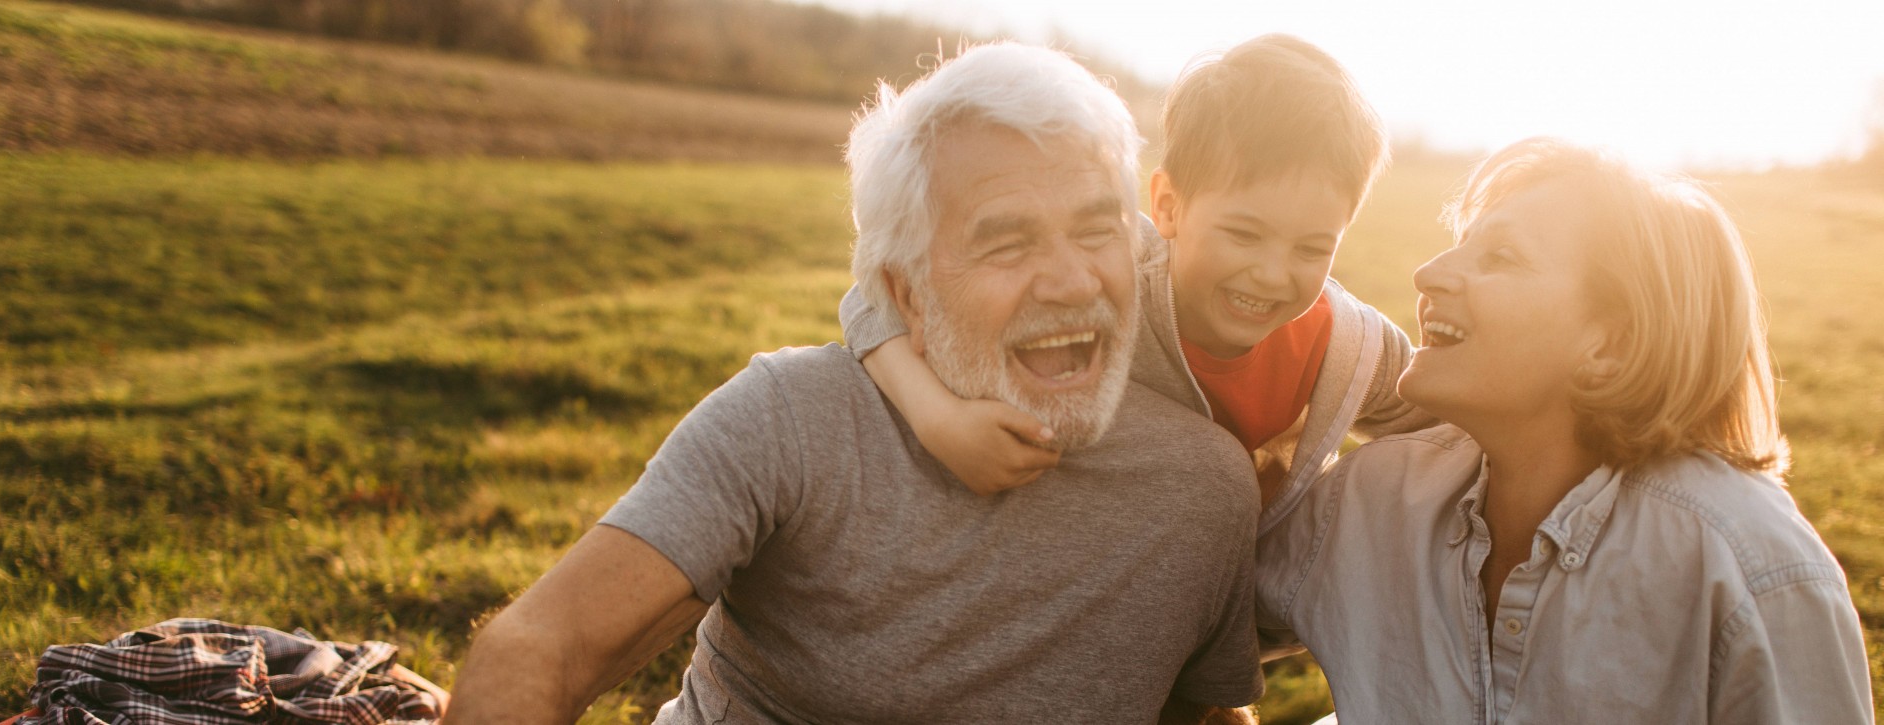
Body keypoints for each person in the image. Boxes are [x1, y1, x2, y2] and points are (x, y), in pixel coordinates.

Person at [443, 43, 1266, 724]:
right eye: (1007, 243)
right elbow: (541, 646)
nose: (1071, 280)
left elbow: (1203, 712)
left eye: (1096, 228)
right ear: (906, 292)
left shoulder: (1205, 491)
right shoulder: (793, 420)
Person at [1254, 138, 1875, 723]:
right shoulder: (1370, 500)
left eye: (1500, 257)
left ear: (1612, 343)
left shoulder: (1746, 563)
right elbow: (1186, 611)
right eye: (1460, 245)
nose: (1429, 273)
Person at [839, 34, 1435, 534]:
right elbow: (873, 298)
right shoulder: (1111, 279)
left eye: (1313, 248)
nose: (1274, 273)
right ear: (1168, 206)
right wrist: (936, 416)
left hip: (1239, 605)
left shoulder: (1349, 345)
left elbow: (1448, 420)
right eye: (1245, 235)